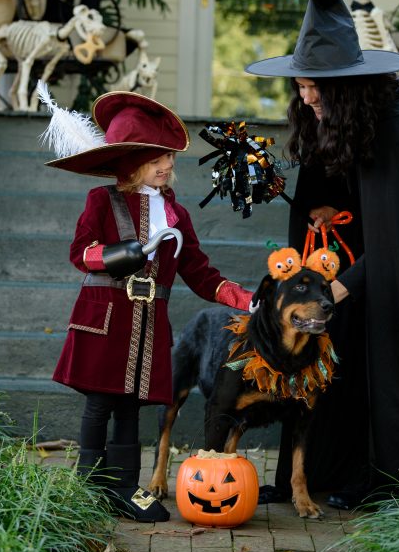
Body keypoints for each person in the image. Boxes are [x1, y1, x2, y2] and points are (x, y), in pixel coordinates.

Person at [245, 0, 399, 509]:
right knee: (338, 337)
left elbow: (396, 240)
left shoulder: (397, 131)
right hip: (383, 229)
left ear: (348, 86)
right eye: (301, 85)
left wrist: (330, 292)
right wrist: (315, 209)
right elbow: (338, 186)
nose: (307, 97)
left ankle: (388, 479)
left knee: (385, 333)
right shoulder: (340, 118)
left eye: (317, 87)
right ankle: (319, 471)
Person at [42, 89, 255, 522]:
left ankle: (123, 489)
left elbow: (199, 272)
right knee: (100, 404)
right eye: (158, 157)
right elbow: (80, 253)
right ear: (131, 160)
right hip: (105, 315)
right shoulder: (102, 201)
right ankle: (89, 489)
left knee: (130, 406)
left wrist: (249, 299)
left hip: (149, 320)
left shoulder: (176, 212)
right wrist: (130, 252)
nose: (168, 165)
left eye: (170, 157)